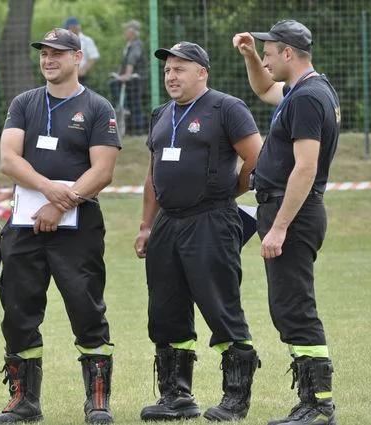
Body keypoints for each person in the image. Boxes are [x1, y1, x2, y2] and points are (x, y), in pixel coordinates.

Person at [0, 28, 121, 425]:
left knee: (86, 307)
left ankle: (97, 400)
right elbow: (9, 159)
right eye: (44, 53)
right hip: (24, 226)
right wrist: (49, 193)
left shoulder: (98, 107)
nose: (49, 59)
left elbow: (103, 170)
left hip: (77, 228)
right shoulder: (24, 103)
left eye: (58, 53)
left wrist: (63, 206)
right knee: (18, 311)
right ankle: (24, 400)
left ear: (77, 58)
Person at [133, 41, 263, 422]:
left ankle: (235, 400)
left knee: (220, 306)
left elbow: (258, 158)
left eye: (180, 69)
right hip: (167, 224)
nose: (171, 76)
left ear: (201, 72)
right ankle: (176, 396)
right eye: (168, 70)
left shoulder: (226, 108)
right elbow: (152, 174)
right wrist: (146, 225)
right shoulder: (161, 113)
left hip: (211, 220)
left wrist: (229, 190)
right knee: (165, 311)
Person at [233, 19, 340, 425]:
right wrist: (248, 57)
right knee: (287, 306)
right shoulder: (304, 90)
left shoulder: (307, 98)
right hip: (284, 211)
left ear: (289, 53)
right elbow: (263, 89)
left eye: (269, 52)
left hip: (292, 213)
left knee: (295, 307)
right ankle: (313, 401)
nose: (266, 58)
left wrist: (279, 226)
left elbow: (305, 168)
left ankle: (318, 405)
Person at [109, 19, 147, 135]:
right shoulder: (130, 44)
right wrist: (120, 73)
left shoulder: (136, 44)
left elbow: (132, 60)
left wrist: (127, 75)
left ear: (132, 31)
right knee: (134, 102)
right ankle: (125, 110)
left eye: (127, 29)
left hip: (135, 77)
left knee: (135, 103)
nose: (125, 32)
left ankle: (138, 130)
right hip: (131, 77)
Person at [64, 17, 101, 86]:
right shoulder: (63, 41)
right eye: (70, 28)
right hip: (65, 75)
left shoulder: (87, 40)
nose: (73, 29)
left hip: (81, 76)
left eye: (75, 27)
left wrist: (84, 70)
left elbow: (93, 57)